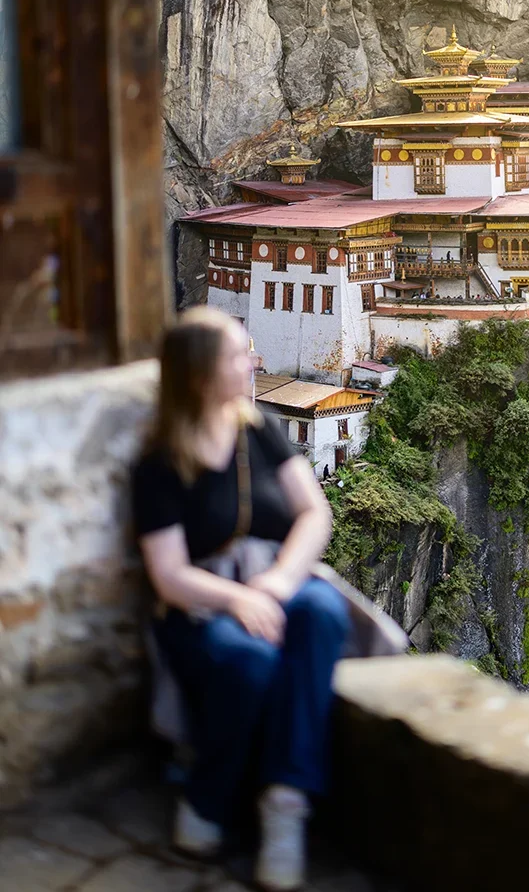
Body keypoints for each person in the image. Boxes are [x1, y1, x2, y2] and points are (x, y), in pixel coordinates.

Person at [132, 307, 349, 891]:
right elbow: (169, 575)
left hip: (271, 578)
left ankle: (285, 803)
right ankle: (206, 798)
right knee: (249, 661)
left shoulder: (258, 431)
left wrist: (277, 583)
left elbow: (314, 514)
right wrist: (237, 600)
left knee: (323, 612)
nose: (252, 363)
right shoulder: (160, 465)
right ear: (201, 374)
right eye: (237, 355)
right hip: (202, 600)